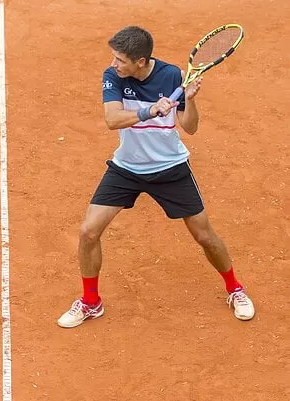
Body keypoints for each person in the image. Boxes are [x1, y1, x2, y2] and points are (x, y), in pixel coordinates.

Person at [57, 26, 255, 328]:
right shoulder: (112, 77)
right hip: (127, 168)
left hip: (170, 168)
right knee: (88, 232)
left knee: (204, 236)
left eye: (120, 60)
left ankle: (235, 288)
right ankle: (90, 302)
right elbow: (112, 119)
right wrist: (150, 111)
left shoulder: (172, 75)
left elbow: (189, 127)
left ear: (140, 61)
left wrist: (190, 100)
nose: (114, 64)